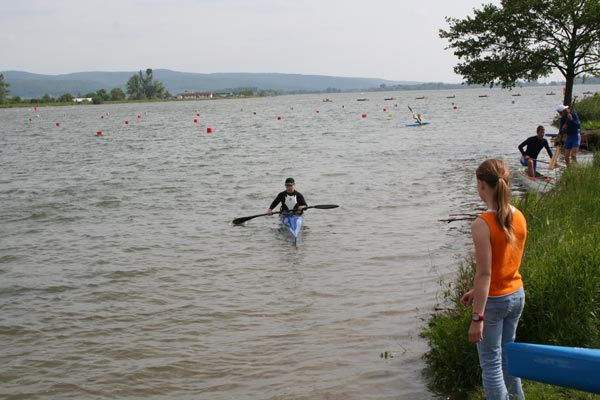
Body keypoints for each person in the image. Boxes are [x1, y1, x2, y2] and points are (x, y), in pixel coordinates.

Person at [461, 159, 527, 400]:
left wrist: (477, 317)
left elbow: (485, 273)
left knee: (490, 363)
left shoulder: (482, 224)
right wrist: (477, 291)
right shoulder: (518, 215)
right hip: (516, 295)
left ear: (481, 185)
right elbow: (505, 264)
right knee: (508, 358)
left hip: (496, 302)